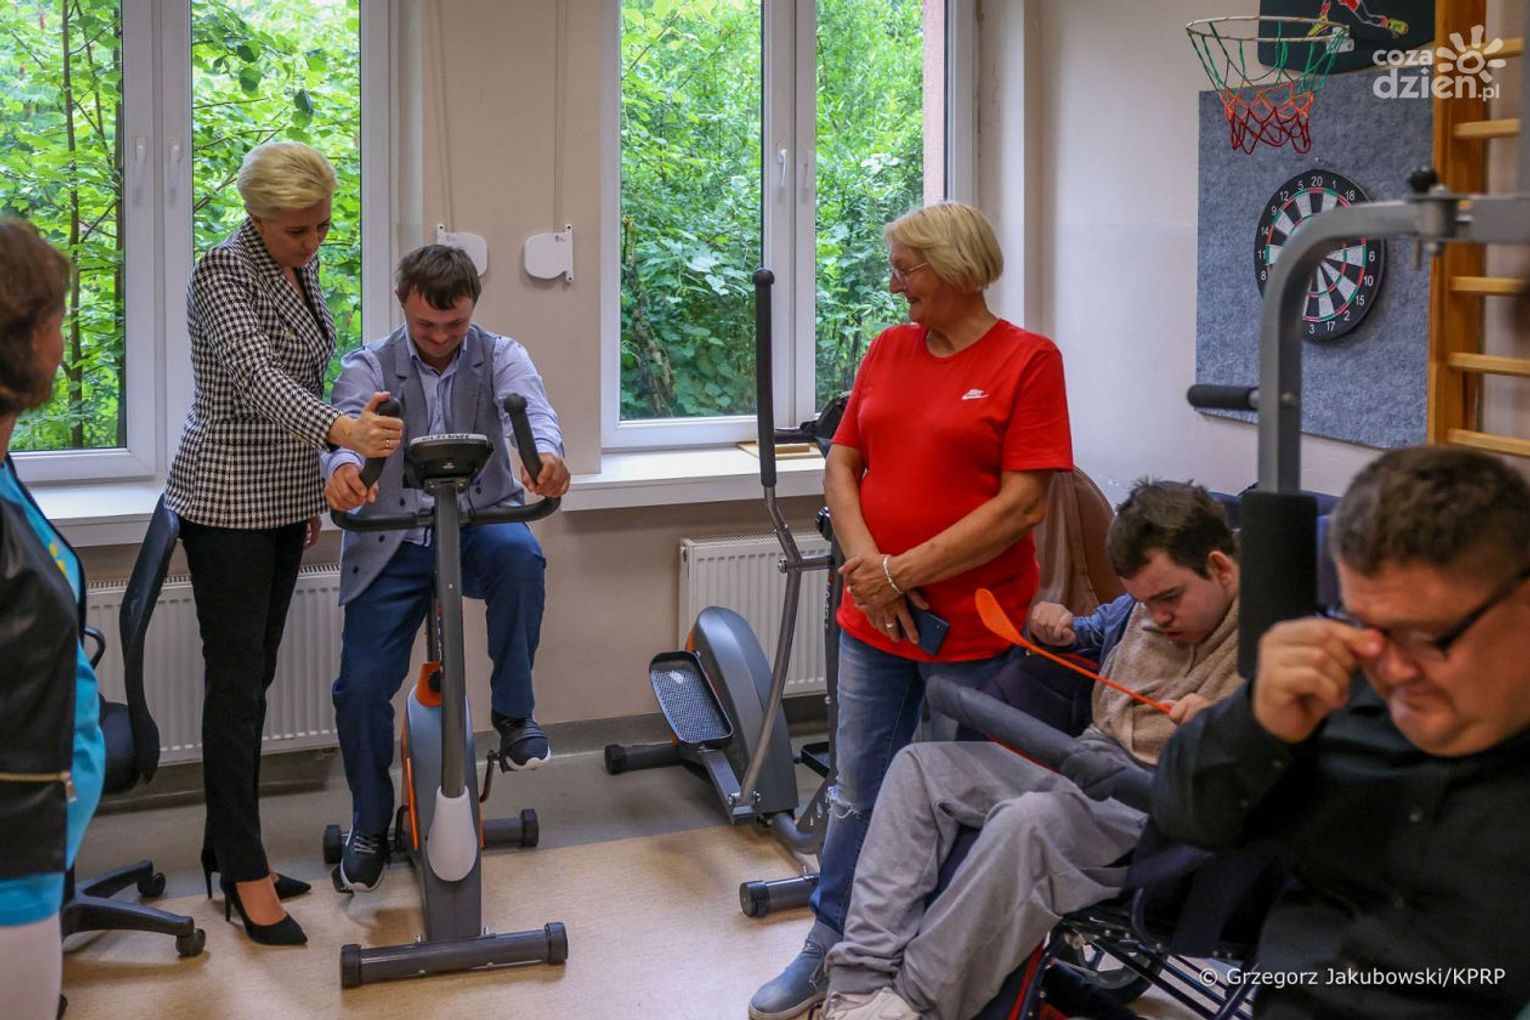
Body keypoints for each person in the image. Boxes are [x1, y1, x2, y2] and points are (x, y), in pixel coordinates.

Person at [751, 202, 1074, 1020]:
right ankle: (832, 945)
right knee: (858, 791)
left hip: (976, 630)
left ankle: (935, 967)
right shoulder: (890, 348)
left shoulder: (1028, 360)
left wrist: (900, 572)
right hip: (874, 625)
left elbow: (1022, 506)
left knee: (959, 804)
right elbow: (844, 463)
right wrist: (873, 575)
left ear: (958, 268)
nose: (895, 286)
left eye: (907, 269)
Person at [816, 480, 1243, 1020]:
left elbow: (1302, 740)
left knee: (1028, 822)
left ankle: (911, 1005)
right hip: (1087, 763)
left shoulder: (1281, 637)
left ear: (1220, 569)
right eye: (1145, 602)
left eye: (1169, 599)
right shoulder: (1144, 607)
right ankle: (858, 987)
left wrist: (1233, 723)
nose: (1157, 617)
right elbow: (1095, 630)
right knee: (920, 768)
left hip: (1157, 802)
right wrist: (1060, 628)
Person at [1154, 446, 1530, 1019]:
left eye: (1426, 636)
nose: (1392, 670)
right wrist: (1255, 721)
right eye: (1365, 627)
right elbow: (1186, 817)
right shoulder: (1334, 692)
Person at [165, 141, 402, 946]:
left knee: (253, 682)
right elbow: (258, 379)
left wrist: (306, 496)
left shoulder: (294, 265)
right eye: (299, 230)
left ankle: (229, 851)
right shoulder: (221, 271)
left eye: (322, 227)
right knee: (237, 692)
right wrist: (344, 431)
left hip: (277, 498)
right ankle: (244, 871)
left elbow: (299, 373)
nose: (313, 242)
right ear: (258, 216)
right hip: (225, 499)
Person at [323, 244, 569, 893]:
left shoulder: (501, 355)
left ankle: (514, 717)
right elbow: (345, 427)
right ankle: (370, 824)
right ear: (402, 304)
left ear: (472, 309)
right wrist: (343, 471)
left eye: (454, 324)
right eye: (426, 325)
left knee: (522, 557)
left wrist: (545, 459)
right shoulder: (369, 363)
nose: (439, 338)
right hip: (393, 538)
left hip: (480, 522)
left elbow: (533, 414)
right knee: (360, 688)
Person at [0, 220, 106, 1019]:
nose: (62, 340)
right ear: (26, 338)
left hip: (36, 841)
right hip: (14, 862)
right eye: (58, 319)